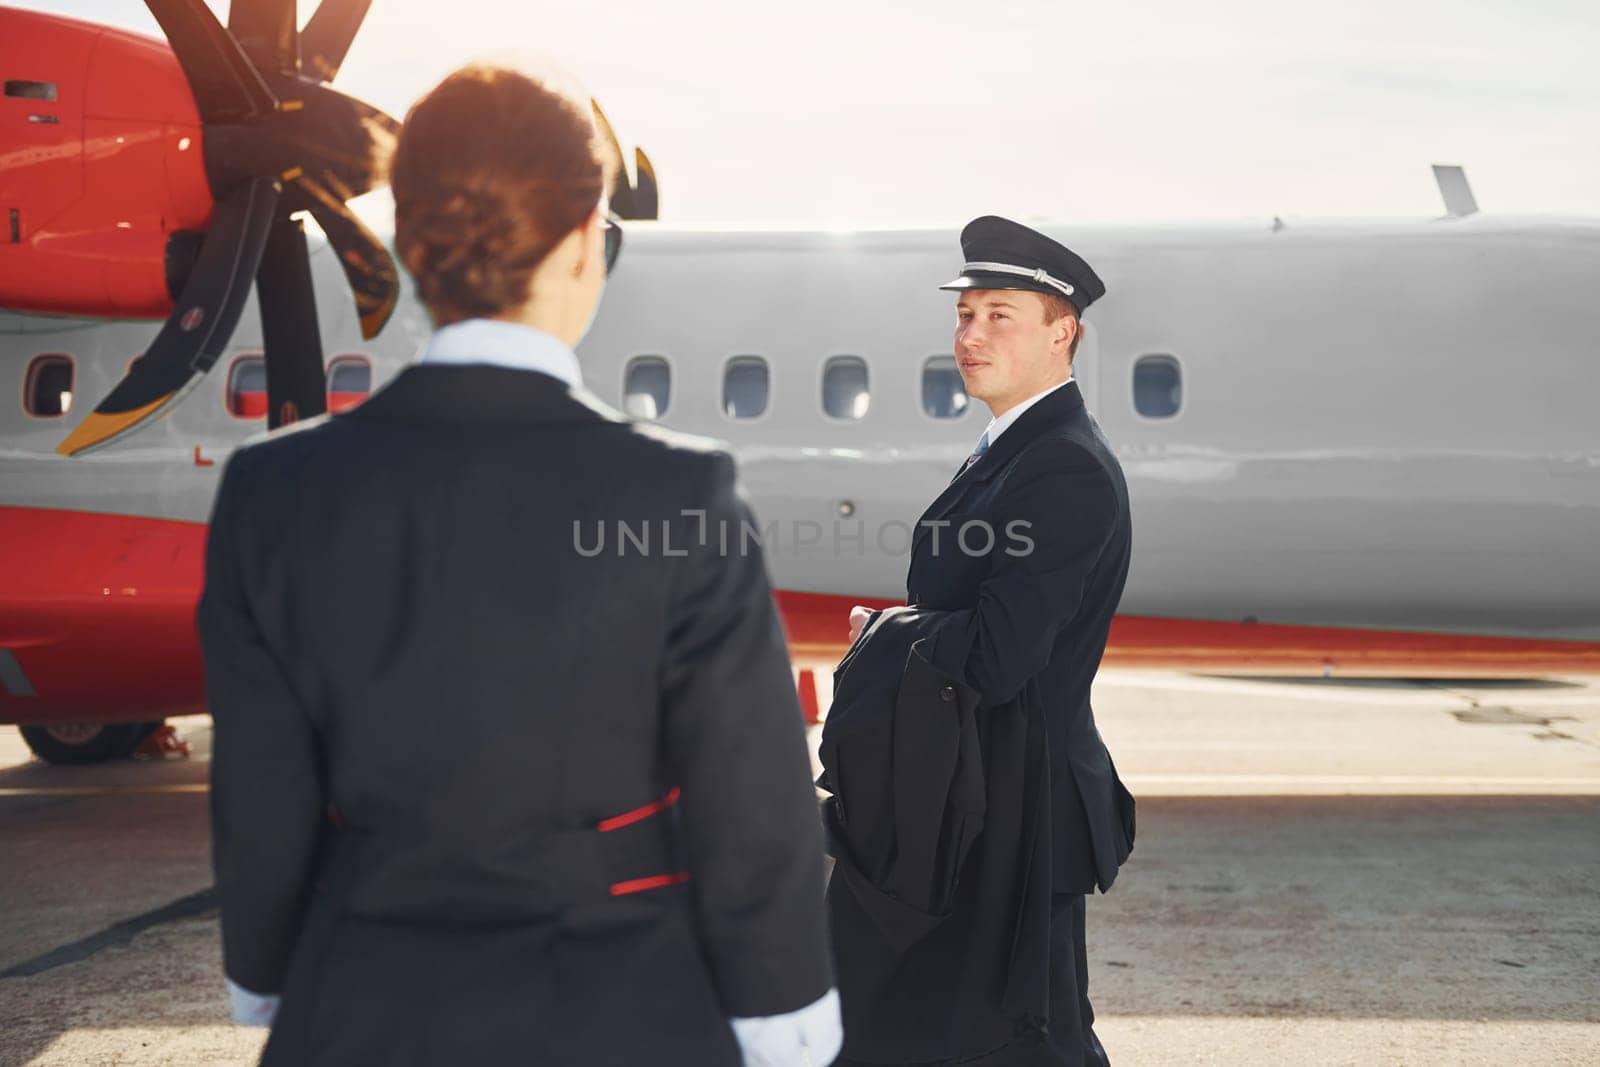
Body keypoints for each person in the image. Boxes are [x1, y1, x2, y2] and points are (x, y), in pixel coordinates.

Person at [198, 65, 841, 1067]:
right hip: (622, 1007)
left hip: (358, 1004)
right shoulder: (680, 492)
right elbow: (749, 792)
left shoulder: (270, 494)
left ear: (408, 246)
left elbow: (260, 787)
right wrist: (783, 1002)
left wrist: (268, 974)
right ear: (586, 241)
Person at [840, 216, 1136, 1065]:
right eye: (965, 314)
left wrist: (885, 637)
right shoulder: (1016, 449)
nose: (971, 335)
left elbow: (1003, 653)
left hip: (1016, 810)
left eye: (999, 314)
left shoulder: (1063, 466)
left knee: (1022, 1038)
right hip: (981, 797)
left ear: (1061, 332)